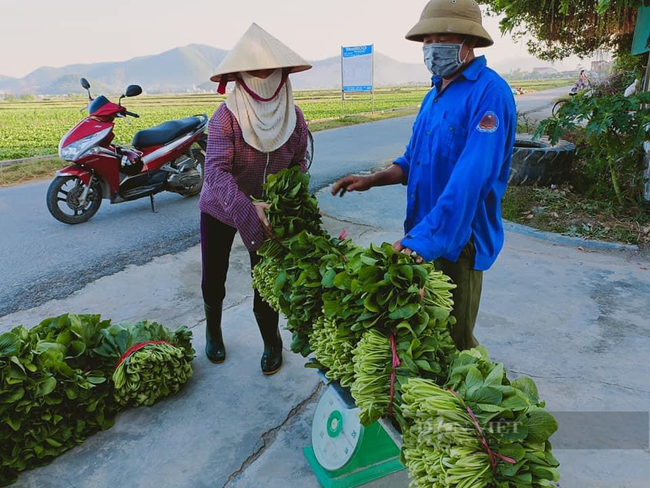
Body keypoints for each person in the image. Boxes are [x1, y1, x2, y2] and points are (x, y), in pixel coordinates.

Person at [332, 0, 516, 351]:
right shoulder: (434, 94)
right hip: (423, 233)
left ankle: (469, 404)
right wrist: (373, 179)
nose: (431, 47)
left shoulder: (489, 93)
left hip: (458, 236)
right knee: (425, 332)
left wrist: (426, 240)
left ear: (468, 41)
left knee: (455, 341)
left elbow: (471, 177)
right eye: (426, 40)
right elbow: (412, 161)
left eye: (441, 37)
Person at [199, 23, 311, 374]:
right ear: (241, 78)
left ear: (282, 75)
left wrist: (285, 204)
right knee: (213, 275)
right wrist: (248, 210)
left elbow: (298, 164)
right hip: (221, 206)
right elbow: (215, 173)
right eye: (255, 72)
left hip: (271, 209)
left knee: (266, 277)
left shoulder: (293, 117)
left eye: (270, 72)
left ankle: (271, 340)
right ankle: (213, 330)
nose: (264, 79)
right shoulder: (225, 119)